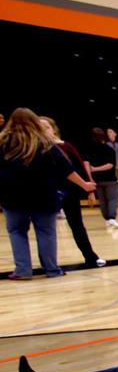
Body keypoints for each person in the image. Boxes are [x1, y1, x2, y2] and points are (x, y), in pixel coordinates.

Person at [1, 108, 94, 280]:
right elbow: (66, 169)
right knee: (46, 232)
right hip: (44, 195)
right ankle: (52, 270)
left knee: (16, 231)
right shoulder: (45, 143)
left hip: (12, 197)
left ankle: (23, 270)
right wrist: (85, 185)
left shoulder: (3, 142)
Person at [39, 117, 105, 268]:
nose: (44, 130)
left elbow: (79, 167)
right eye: (39, 127)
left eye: (46, 127)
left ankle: (90, 256)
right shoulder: (36, 149)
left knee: (76, 225)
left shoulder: (66, 147)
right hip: (47, 192)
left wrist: (89, 190)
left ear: (53, 129)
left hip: (69, 191)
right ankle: (48, 263)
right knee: (45, 228)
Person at [83, 127, 118, 228]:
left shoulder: (88, 149)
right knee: (112, 199)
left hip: (96, 179)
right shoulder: (109, 149)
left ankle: (107, 219)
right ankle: (112, 218)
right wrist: (96, 169)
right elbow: (110, 165)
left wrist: (90, 178)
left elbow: (86, 165)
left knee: (102, 200)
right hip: (110, 178)